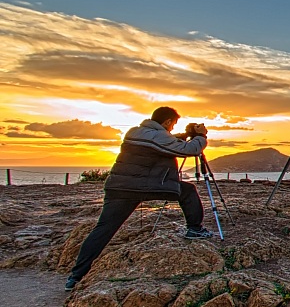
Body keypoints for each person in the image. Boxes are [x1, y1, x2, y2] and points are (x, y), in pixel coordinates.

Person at [65, 106, 212, 291]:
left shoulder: (135, 132)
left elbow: (163, 142)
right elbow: (189, 150)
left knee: (103, 230)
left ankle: (75, 276)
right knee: (188, 191)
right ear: (166, 122)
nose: (173, 129)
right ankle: (195, 229)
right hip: (148, 185)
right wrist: (201, 137)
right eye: (173, 124)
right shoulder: (158, 137)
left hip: (119, 187)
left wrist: (183, 135)